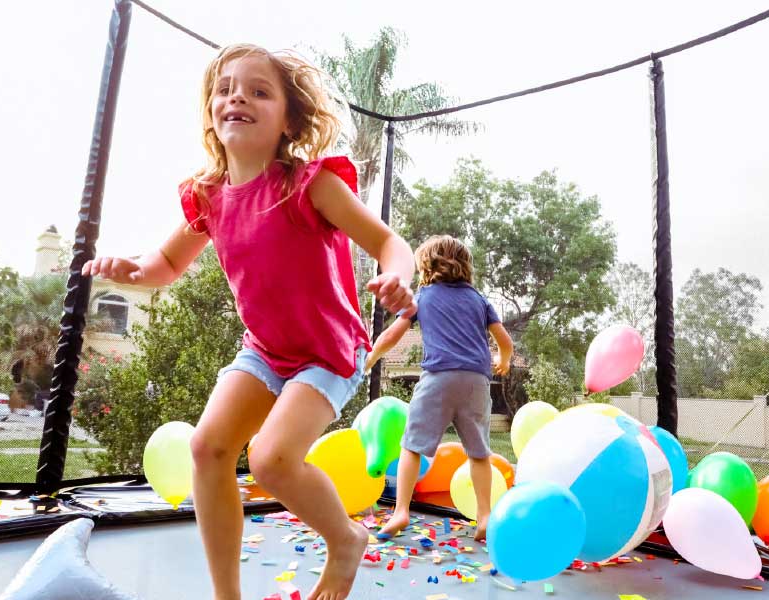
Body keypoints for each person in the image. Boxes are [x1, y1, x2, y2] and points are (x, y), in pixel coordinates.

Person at [83, 43, 416, 600]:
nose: (238, 95)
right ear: (212, 110)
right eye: (226, 87)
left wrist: (397, 274)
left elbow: (387, 241)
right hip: (264, 349)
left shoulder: (310, 184)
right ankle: (226, 596)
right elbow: (165, 265)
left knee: (269, 459)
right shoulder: (209, 197)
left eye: (259, 91)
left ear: (289, 120)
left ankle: (345, 540)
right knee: (208, 447)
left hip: (328, 351)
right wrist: (131, 271)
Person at [364, 235, 513, 542]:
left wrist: (372, 357)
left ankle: (401, 510)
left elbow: (392, 335)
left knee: (412, 446)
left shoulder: (422, 297)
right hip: (476, 381)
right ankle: (484, 516)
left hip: (437, 380)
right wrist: (504, 359)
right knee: (479, 452)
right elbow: (505, 341)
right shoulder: (479, 300)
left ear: (427, 266)